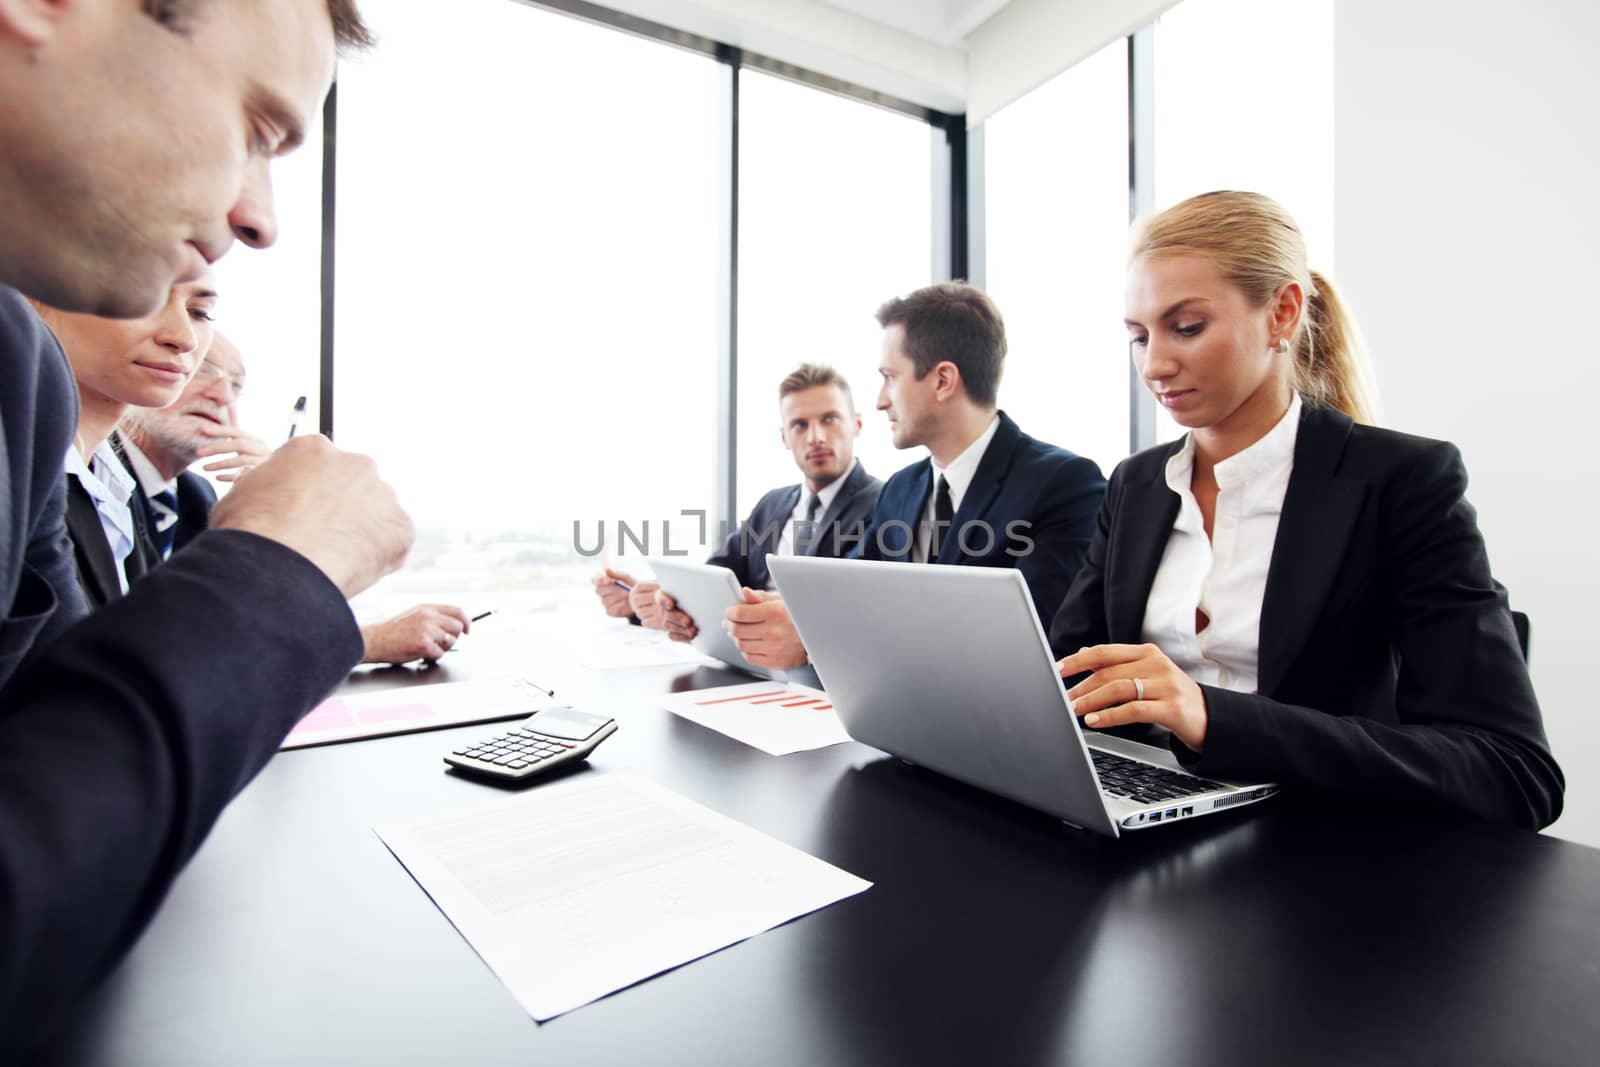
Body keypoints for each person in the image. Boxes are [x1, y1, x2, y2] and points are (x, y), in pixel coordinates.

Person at [0, 0, 411, 1052]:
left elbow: (65, 774)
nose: (262, 217)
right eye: (259, 129)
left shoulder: (22, 379)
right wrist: (279, 569)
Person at [1049, 190, 1563, 830]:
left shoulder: (1402, 482)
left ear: (1282, 313)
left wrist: (1211, 715)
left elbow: (1513, 772)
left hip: (1321, 849)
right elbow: (1063, 674)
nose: (1154, 363)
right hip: (1149, 826)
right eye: (1137, 335)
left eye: (1187, 327)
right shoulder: (1138, 484)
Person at [725, 282, 1107, 671]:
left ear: (942, 381)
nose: (880, 400)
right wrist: (787, 614)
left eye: (890, 377)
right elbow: (848, 591)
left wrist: (813, 636)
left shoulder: (1064, 485)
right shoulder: (901, 490)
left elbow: (1032, 644)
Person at [119, 331, 474, 665]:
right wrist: (369, 640)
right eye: (201, 370)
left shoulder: (196, 498)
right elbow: (169, 652)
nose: (223, 395)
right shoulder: (91, 486)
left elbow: (230, 628)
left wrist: (268, 520)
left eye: (236, 385)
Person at [593, 363, 882, 641]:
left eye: (829, 419)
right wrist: (656, 600)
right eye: (799, 425)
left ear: (856, 424)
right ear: (784, 437)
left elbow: (854, 608)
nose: (815, 437)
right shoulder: (773, 505)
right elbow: (714, 578)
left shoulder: (886, 503)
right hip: (750, 664)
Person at [34, 273, 219, 607]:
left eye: (200, 312)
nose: (184, 338)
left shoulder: (111, 483)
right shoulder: (22, 478)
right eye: (144, 299)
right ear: (36, 296)